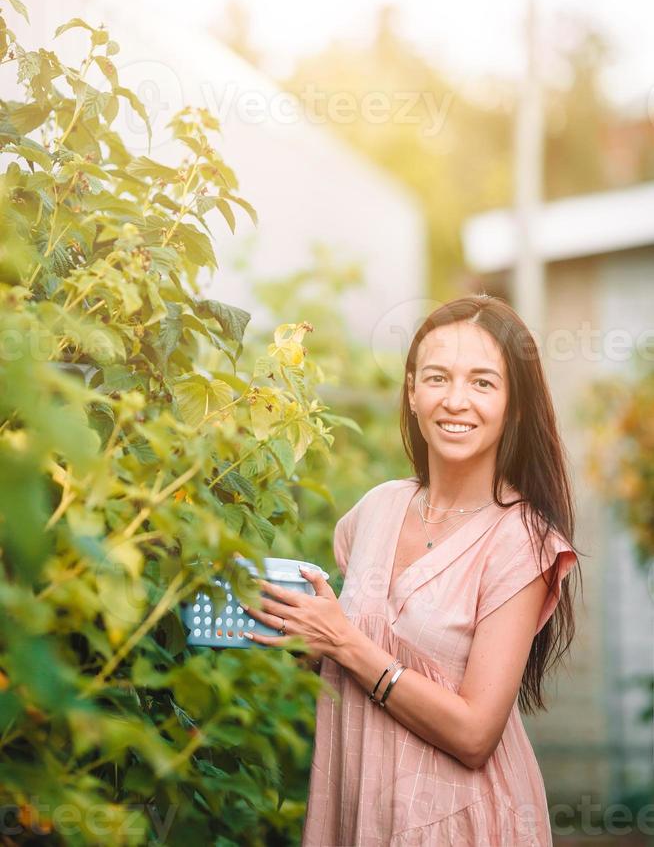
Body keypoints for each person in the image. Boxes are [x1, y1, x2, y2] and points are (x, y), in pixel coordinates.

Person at [242, 294, 582, 846]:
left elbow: (475, 733)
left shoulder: (521, 541)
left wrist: (345, 644)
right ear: (412, 391)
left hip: (458, 822)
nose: (455, 401)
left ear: (514, 405)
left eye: (482, 383)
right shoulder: (375, 510)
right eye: (437, 378)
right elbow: (366, 638)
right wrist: (310, 642)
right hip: (358, 807)